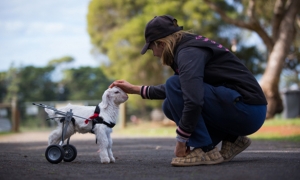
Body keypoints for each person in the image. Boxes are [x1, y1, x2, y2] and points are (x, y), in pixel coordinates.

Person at [109, 15, 267, 167]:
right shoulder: (188, 48)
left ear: (160, 44)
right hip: (246, 109)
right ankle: (233, 138)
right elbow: (182, 88)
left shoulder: (188, 52)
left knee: (174, 84)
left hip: (248, 110)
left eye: (151, 49)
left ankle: (205, 150)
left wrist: (181, 140)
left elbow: (193, 99)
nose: (154, 55)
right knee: (169, 105)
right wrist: (136, 89)